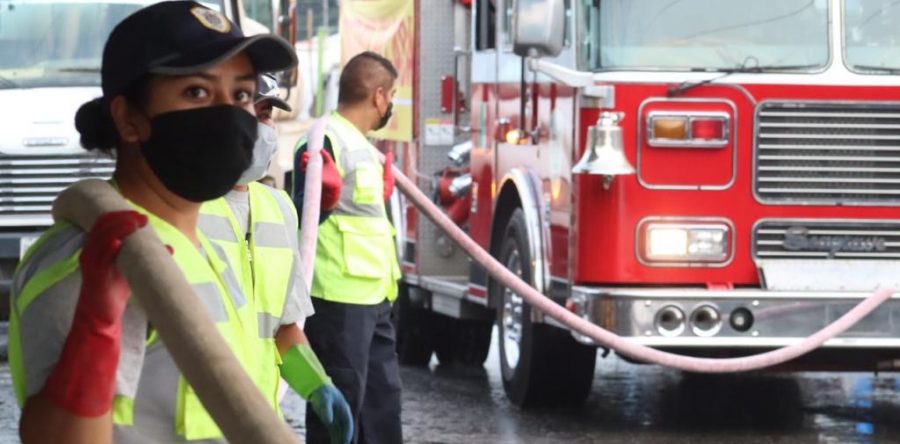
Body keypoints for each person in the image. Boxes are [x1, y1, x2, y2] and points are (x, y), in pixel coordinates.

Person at [8, 2, 299, 442]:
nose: (228, 114)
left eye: (240, 95)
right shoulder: (98, 259)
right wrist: (97, 326)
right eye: (197, 93)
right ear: (128, 119)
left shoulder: (209, 246)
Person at [198, 73, 353, 444]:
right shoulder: (180, 207)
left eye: (267, 115)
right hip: (191, 426)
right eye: (253, 111)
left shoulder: (278, 208)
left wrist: (317, 385)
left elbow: (282, 327)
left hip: (257, 424)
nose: (262, 127)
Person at [292, 51, 402, 444]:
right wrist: (320, 201)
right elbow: (301, 217)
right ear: (378, 96)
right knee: (339, 412)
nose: (390, 105)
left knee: (382, 407)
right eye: (391, 97)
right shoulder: (324, 139)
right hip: (338, 300)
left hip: (375, 297)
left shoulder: (359, 144)